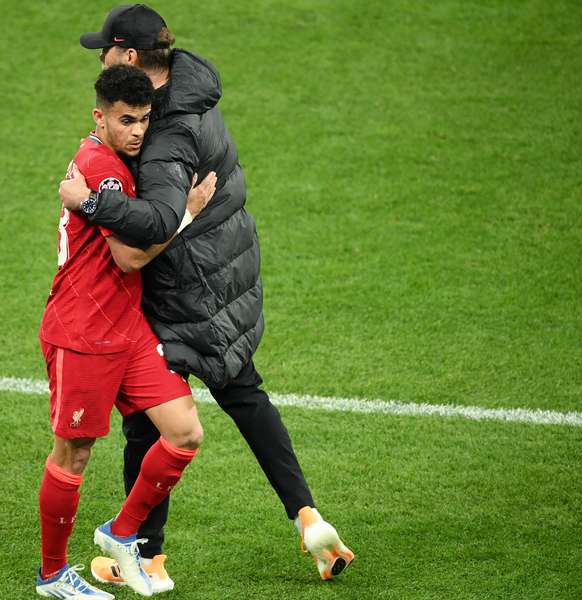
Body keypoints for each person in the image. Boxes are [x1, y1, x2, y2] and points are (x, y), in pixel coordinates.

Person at [59, 4, 355, 593]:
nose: (102, 59)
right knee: (245, 393)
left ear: (135, 58)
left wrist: (90, 202)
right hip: (230, 274)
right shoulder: (195, 84)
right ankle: (307, 515)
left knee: (150, 420)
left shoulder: (163, 134)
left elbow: (161, 219)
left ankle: (143, 555)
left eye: (109, 51)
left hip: (184, 289)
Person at [36, 64, 217, 599]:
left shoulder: (116, 159)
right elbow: (129, 255)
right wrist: (184, 214)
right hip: (83, 331)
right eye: (126, 120)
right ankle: (52, 576)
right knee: (74, 454)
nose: (138, 131)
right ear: (99, 117)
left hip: (126, 327)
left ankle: (120, 532)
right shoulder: (103, 168)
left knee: (184, 432)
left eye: (144, 120)